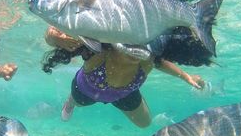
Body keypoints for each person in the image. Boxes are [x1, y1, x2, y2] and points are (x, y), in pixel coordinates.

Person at [42, 26, 209, 128]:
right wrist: (53, 36)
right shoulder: (99, 52)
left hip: (125, 94)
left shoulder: (148, 60)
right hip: (85, 90)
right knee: (77, 103)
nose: (137, 53)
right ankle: (70, 101)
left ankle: (132, 97)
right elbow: (52, 37)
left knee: (145, 124)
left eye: (145, 48)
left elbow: (161, 63)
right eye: (130, 45)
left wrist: (186, 76)